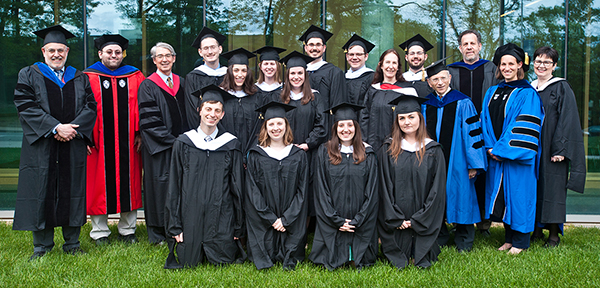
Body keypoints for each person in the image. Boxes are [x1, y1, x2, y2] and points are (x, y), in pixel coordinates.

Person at [13, 25, 97, 260]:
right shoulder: (28, 74)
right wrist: (55, 127)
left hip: (72, 143)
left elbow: (90, 107)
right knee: (42, 190)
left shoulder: (79, 77)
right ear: (43, 51)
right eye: (52, 50)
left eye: (60, 50)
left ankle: (72, 243)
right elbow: (25, 106)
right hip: (43, 146)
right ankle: (42, 246)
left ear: (67, 51)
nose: (56, 54)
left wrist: (71, 130)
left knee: (73, 191)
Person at [164, 85, 245, 268]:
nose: (212, 114)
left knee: (224, 260)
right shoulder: (184, 142)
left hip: (221, 215)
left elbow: (237, 188)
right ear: (199, 111)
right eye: (208, 109)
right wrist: (175, 226)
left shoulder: (231, 145)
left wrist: (237, 226)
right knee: (187, 260)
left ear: (223, 114)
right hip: (189, 215)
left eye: (217, 110)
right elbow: (174, 186)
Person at [481, 43, 544, 254]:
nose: (507, 68)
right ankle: (509, 239)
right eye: (503, 64)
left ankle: (521, 242)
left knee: (519, 196)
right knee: (504, 197)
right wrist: (489, 147)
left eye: (511, 64)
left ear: (519, 65)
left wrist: (500, 150)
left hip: (516, 157)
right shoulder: (492, 91)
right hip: (495, 154)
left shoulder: (528, 94)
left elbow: (523, 127)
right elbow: (485, 121)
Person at [84, 34, 145, 245]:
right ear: (100, 54)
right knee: (98, 184)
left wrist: (140, 133)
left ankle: (128, 230)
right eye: (109, 52)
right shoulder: (88, 77)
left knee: (130, 183)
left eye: (117, 52)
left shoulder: (135, 76)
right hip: (99, 143)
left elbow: (142, 107)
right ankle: (99, 232)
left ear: (123, 55)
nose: (113, 55)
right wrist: (85, 137)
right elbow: (81, 109)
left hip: (129, 143)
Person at [421, 58, 487, 252]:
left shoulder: (463, 102)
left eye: (442, 78)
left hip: (458, 161)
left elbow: (472, 134)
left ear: (449, 78)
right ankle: (440, 235)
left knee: (462, 196)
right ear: (429, 82)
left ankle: (464, 239)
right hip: (433, 162)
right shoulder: (426, 104)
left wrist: (473, 163)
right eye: (435, 79)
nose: (439, 82)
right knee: (435, 196)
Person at [378, 94, 446, 269]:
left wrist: (417, 220)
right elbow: (384, 187)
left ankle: (420, 252)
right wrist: (396, 218)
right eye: (401, 118)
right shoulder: (388, 148)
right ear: (397, 121)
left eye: (411, 117)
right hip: (396, 219)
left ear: (420, 118)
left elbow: (436, 191)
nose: (406, 122)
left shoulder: (433, 150)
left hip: (423, 219)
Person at [309, 103, 379, 270]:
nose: (345, 129)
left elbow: (372, 190)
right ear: (335, 128)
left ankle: (356, 255)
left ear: (356, 127)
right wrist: (336, 220)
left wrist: (359, 219)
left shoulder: (367, 153)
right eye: (341, 125)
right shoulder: (324, 152)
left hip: (361, 219)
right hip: (333, 218)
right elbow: (321, 189)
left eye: (350, 125)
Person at [529, 46, 586, 247]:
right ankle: (535, 230)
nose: (541, 65)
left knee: (552, 189)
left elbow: (568, 119)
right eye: (538, 61)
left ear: (554, 65)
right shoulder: (530, 87)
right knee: (534, 187)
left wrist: (561, 149)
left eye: (546, 62)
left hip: (553, 148)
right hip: (533, 147)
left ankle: (553, 235)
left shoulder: (561, 87)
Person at [447, 29, 501, 235]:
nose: (469, 47)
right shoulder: (450, 71)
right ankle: (461, 220)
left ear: (479, 46)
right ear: (460, 48)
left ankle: (484, 223)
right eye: (465, 44)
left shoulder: (492, 69)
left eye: (473, 43)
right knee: (462, 174)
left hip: (485, 130)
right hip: (458, 133)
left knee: (484, 175)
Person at [245, 101, 308, 270]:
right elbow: (252, 191)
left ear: (286, 126)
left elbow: (302, 191)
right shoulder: (256, 155)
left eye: (279, 123)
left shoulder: (298, 155)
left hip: (291, 218)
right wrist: (272, 219)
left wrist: (286, 219)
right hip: (265, 219)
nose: (276, 128)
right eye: (271, 124)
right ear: (265, 128)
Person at [138, 42, 190, 245]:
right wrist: (172, 141)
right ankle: (158, 234)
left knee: (181, 187)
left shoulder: (182, 82)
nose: (165, 59)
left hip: (183, 146)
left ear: (174, 58)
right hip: (159, 148)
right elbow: (148, 122)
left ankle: (178, 229)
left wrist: (186, 141)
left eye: (168, 55)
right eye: (160, 56)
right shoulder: (148, 85)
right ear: (154, 60)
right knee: (158, 188)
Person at [278, 51, 327, 218]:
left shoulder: (315, 97)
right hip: (283, 151)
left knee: (305, 190)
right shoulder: (279, 98)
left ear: (305, 75)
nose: (296, 77)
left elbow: (322, 125)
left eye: (300, 73)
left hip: (308, 153)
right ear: (287, 75)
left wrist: (307, 144)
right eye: (293, 73)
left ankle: (303, 230)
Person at [360, 49, 418, 152]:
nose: (390, 66)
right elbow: (365, 117)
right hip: (374, 145)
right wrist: (365, 143)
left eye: (394, 63)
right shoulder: (373, 90)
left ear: (398, 67)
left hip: (400, 146)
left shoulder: (408, 91)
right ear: (381, 65)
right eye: (387, 62)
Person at [299, 25, 347, 136]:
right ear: (305, 48)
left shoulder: (334, 72)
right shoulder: (298, 73)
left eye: (318, 45)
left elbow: (337, 106)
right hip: (301, 130)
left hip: (325, 131)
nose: (314, 48)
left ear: (324, 48)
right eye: (311, 44)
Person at [218, 48, 261, 155]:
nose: (240, 75)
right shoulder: (221, 96)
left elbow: (259, 126)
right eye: (236, 70)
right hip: (226, 151)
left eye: (244, 70)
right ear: (230, 72)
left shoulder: (256, 95)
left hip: (251, 152)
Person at [184, 27, 227, 128]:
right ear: (200, 52)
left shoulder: (228, 75)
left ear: (220, 49)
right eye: (206, 48)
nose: (210, 52)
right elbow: (192, 110)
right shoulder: (193, 77)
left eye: (213, 47)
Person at [342, 34, 375, 106]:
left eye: (358, 54)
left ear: (366, 56)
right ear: (347, 56)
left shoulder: (372, 77)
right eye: (351, 54)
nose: (354, 58)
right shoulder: (342, 77)